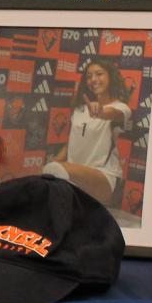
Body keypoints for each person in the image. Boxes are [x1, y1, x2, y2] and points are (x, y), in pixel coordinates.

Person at [41, 57, 131, 204]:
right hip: (72, 175)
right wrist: (52, 163)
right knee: (49, 172)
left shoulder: (121, 107)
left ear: (110, 76)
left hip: (103, 176)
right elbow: (72, 143)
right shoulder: (79, 109)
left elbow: (113, 113)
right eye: (89, 76)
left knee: (54, 171)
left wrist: (100, 112)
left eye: (99, 74)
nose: (93, 79)